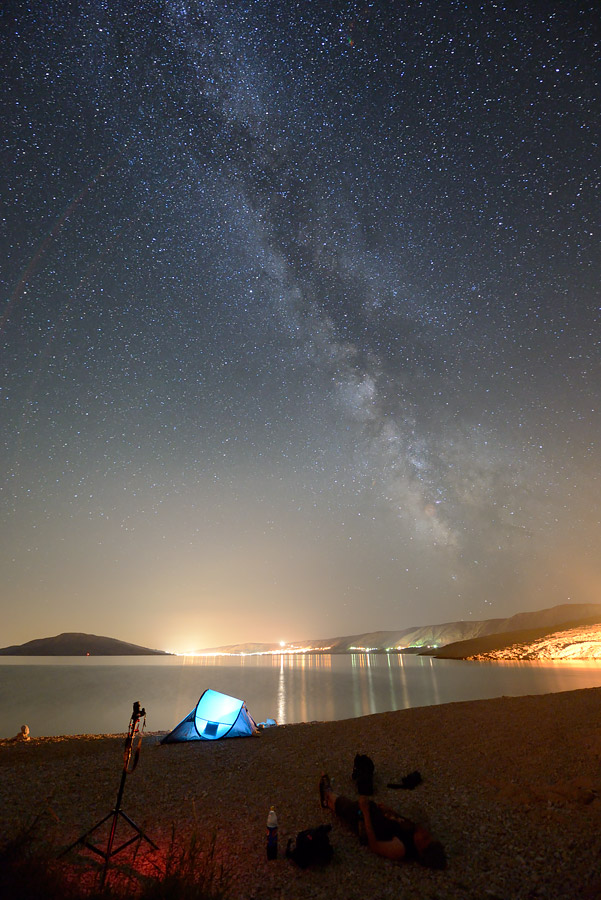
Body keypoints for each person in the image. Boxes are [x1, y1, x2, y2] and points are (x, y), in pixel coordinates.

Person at [319, 773, 446, 869]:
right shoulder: (415, 832)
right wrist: (390, 811)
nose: (424, 832)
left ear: (421, 851)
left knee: (347, 808)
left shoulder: (401, 849)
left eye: (425, 838)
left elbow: (375, 845)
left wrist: (365, 813)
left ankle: (328, 794)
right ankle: (328, 799)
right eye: (427, 835)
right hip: (377, 815)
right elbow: (401, 821)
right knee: (350, 805)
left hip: (366, 823)